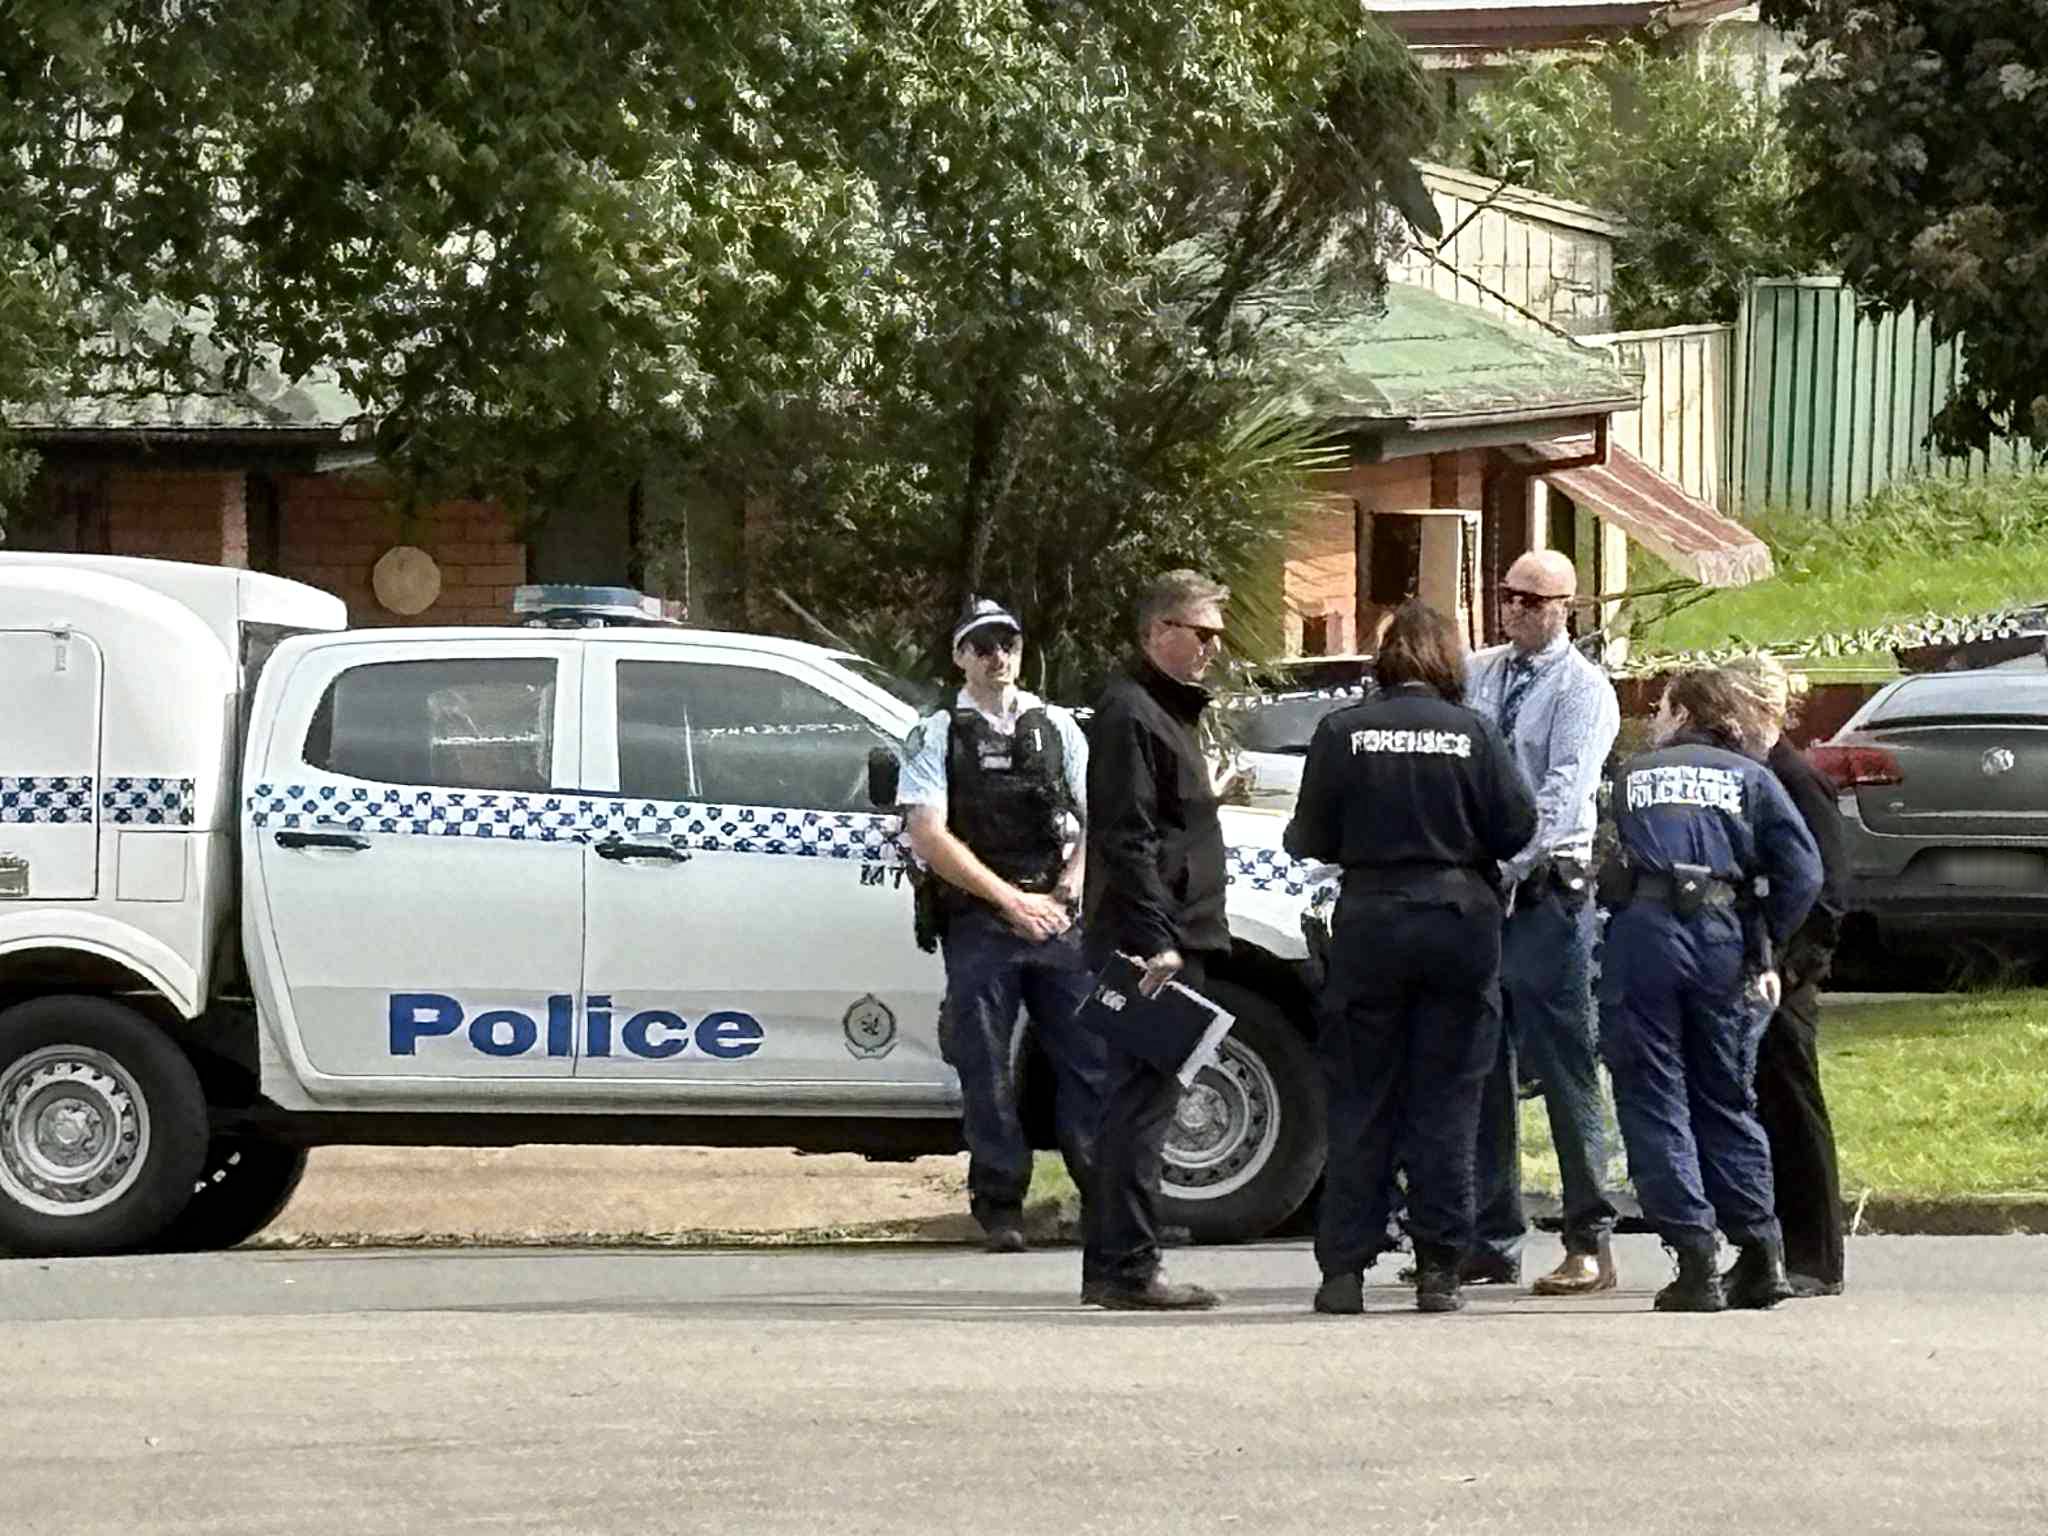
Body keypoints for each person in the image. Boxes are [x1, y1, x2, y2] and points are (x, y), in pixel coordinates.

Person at [1284, 601, 1536, 1315]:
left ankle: (1344, 1270)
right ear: (1446, 659)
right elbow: (1518, 826)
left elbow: (1308, 836)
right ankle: (1439, 1269)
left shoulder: (1343, 731)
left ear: (1386, 657)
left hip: (1371, 921)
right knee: (1448, 1101)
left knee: (1362, 1099)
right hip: (1460, 923)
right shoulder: (1475, 732)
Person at [1599, 668, 1824, 1312]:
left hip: (1645, 936)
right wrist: (1765, 939)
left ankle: (1695, 1257)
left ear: (1684, 712)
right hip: (1722, 938)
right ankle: (1761, 1254)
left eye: (1663, 707)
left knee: (1653, 1094)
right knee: (1727, 1095)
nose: (1655, 718)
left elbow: (1603, 863)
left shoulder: (1634, 774)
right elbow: (1803, 872)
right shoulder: (1752, 777)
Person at [899, 596, 1105, 1254]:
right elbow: (929, 834)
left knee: (1090, 1063)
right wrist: (1010, 902)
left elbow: (1096, 818)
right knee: (984, 1067)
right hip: (981, 921)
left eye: (1008, 644)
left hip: (1059, 919)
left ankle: (1105, 1202)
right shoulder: (936, 733)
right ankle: (999, 1206)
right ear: (959, 656)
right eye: (982, 646)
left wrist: (1066, 892)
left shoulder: (1058, 728)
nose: (998, 657)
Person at [1462, 549, 1623, 1295]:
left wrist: (1508, 864)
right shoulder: (1481, 671)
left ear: (1567, 607)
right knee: (1482, 1062)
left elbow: (1563, 795)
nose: (1515, 609)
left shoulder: (1582, 689)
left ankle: (1589, 1235)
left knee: (1564, 1064)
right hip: (1484, 890)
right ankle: (1491, 1235)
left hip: (1548, 892)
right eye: (1508, 595)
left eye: (1532, 600)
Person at [1079, 569, 1233, 1310]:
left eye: (1216, 637)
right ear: (1156, 631)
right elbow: (1128, 837)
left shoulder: (1164, 712)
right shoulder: (1131, 713)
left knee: (1142, 1104)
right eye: (1199, 633)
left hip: (1172, 929)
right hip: (1153, 943)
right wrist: (1157, 938)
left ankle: (1115, 1264)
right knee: (1142, 1109)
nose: (1210, 648)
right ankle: (1127, 1267)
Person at [1725, 654, 1849, 1298]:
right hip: (1755, 965)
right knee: (1760, 1105)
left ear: (1760, 710)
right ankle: (1767, 1248)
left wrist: (1792, 966)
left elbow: (1826, 890)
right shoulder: (1750, 774)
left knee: (1795, 1105)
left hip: (1789, 973)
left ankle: (1817, 1257)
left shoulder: (1796, 780)